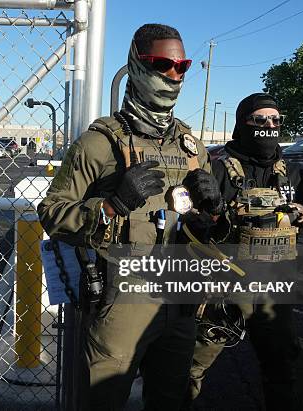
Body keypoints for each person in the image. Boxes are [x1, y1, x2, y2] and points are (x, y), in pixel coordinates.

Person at [38, 24, 211, 410]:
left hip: (180, 300)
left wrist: (211, 213)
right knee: (104, 401)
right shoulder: (99, 143)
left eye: (182, 66)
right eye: (162, 63)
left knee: (172, 399)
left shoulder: (191, 145)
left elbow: (204, 225)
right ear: (136, 64)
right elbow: (51, 211)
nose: (173, 75)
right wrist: (111, 206)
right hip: (122, 302)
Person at [183, 93, 303, 410]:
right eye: (260, 120)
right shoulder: (217, 171)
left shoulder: (295, 174)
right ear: (243, 125)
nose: (269, 126)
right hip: (224, 289)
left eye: (276, 120)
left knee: (281, 365)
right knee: (192, 365)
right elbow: (187, 226)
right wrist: (211, 217)